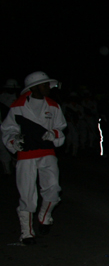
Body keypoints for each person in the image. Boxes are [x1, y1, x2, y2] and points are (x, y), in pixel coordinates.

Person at [1, 72, 66, 244]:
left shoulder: (54, 106)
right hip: (26, 155)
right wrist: (14, 141)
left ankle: (45, 218)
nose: (48, 88)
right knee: (27, 193)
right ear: (35, 87)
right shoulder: (18, 106)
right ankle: (26, 233)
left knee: (53, 188)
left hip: (47, 153)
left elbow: (61, 127)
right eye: (45, 85)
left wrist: (54, 134)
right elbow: (8, 129)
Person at [0, 79, 21, 176]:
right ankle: (7, 170)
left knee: (17, 145)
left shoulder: (20, 97)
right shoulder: (2, 97)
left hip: (16, 125)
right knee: (3, 148)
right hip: (3, 125)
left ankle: (16, 166)